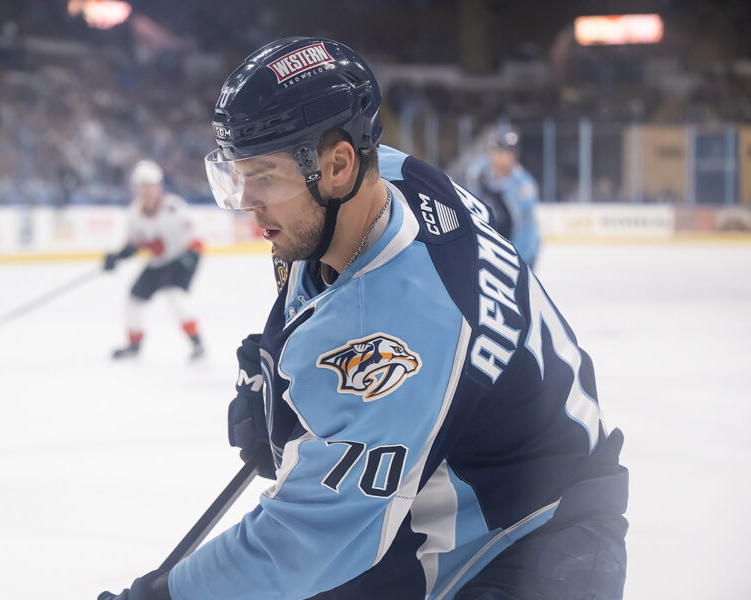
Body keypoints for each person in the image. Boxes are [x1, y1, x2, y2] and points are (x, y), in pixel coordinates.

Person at [98, 37, 628, 600]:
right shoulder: (392, 178)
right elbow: (315, 278)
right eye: (238, 176)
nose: (247, 202)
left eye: (266, 177)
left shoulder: (403, 322)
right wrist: (279, 365)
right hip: (458, 494)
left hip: (540, 537)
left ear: (338, 165)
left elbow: (297, 545)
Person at [103, 160, 205, 361]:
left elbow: (196, 241)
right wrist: (116, 257)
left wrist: (190, 259)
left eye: (151, 186)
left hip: (179, 259)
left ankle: (197, 344)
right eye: (143, 187)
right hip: (158, 262)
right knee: (133, 299)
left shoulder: (174, 208)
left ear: (159, 186)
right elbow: (134, 245)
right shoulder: (134, 214)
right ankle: (134, 344)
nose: (148, 191)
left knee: (175, 297)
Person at [463, 129, 542, 268]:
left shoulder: (524, 186)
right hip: (486, 251)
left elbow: (526, 228)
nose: (500, 157)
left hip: (515, 254)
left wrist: (515, 260)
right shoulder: (478, 173)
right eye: (497, 151)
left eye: (507, 152)